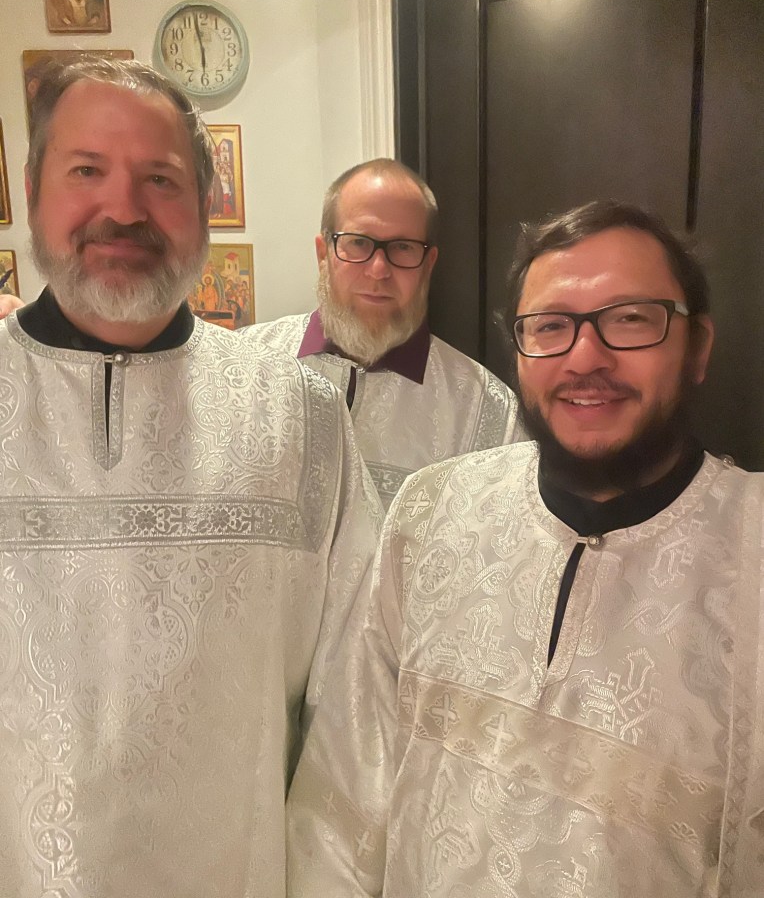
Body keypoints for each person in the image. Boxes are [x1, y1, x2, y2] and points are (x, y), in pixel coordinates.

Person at [286, 201, 764, 897]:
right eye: (550, 326)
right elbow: (344, 793)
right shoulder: (431, 513)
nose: (586, 357)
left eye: (632, 319)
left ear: (697, 348)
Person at [0, 56, 381, 898]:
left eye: (161, 179)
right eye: (86, 171)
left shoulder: (302, 418)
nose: (123, 209)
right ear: (32, 190)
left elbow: (359, 695)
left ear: (206, 203)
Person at [245, 159, 524, 508]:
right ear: (323, 253)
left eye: (403, 247)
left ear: (429, 264)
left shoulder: (489, 414)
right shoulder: (242, 368)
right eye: (358, 243)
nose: (379, 270)